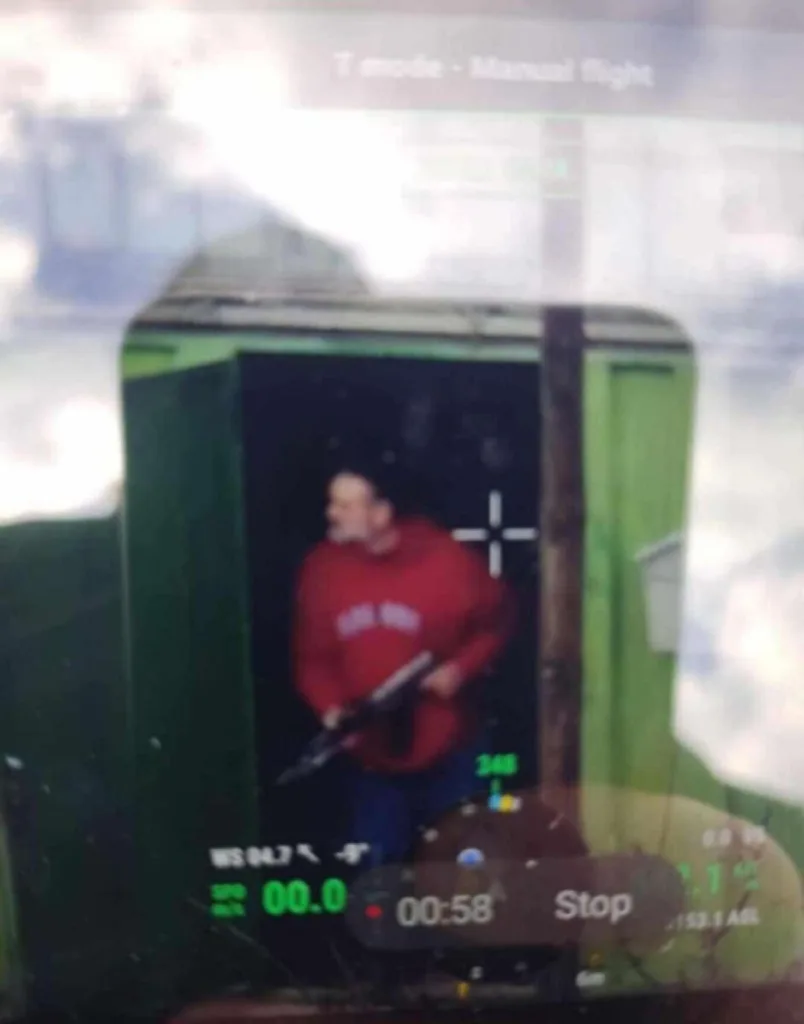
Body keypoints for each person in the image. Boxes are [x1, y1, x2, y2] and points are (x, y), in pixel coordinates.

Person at [293, 459, 513, 865]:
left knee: (460, 870)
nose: (331, 514)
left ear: (381, 513)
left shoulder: (449, 560)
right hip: (369, 756)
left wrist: (460, 669)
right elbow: (311, 659)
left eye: (345, 505)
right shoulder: (321, 569)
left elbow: (497, 623)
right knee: (377, 875)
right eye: (332, 503)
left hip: (450, 748)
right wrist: (331, 710)